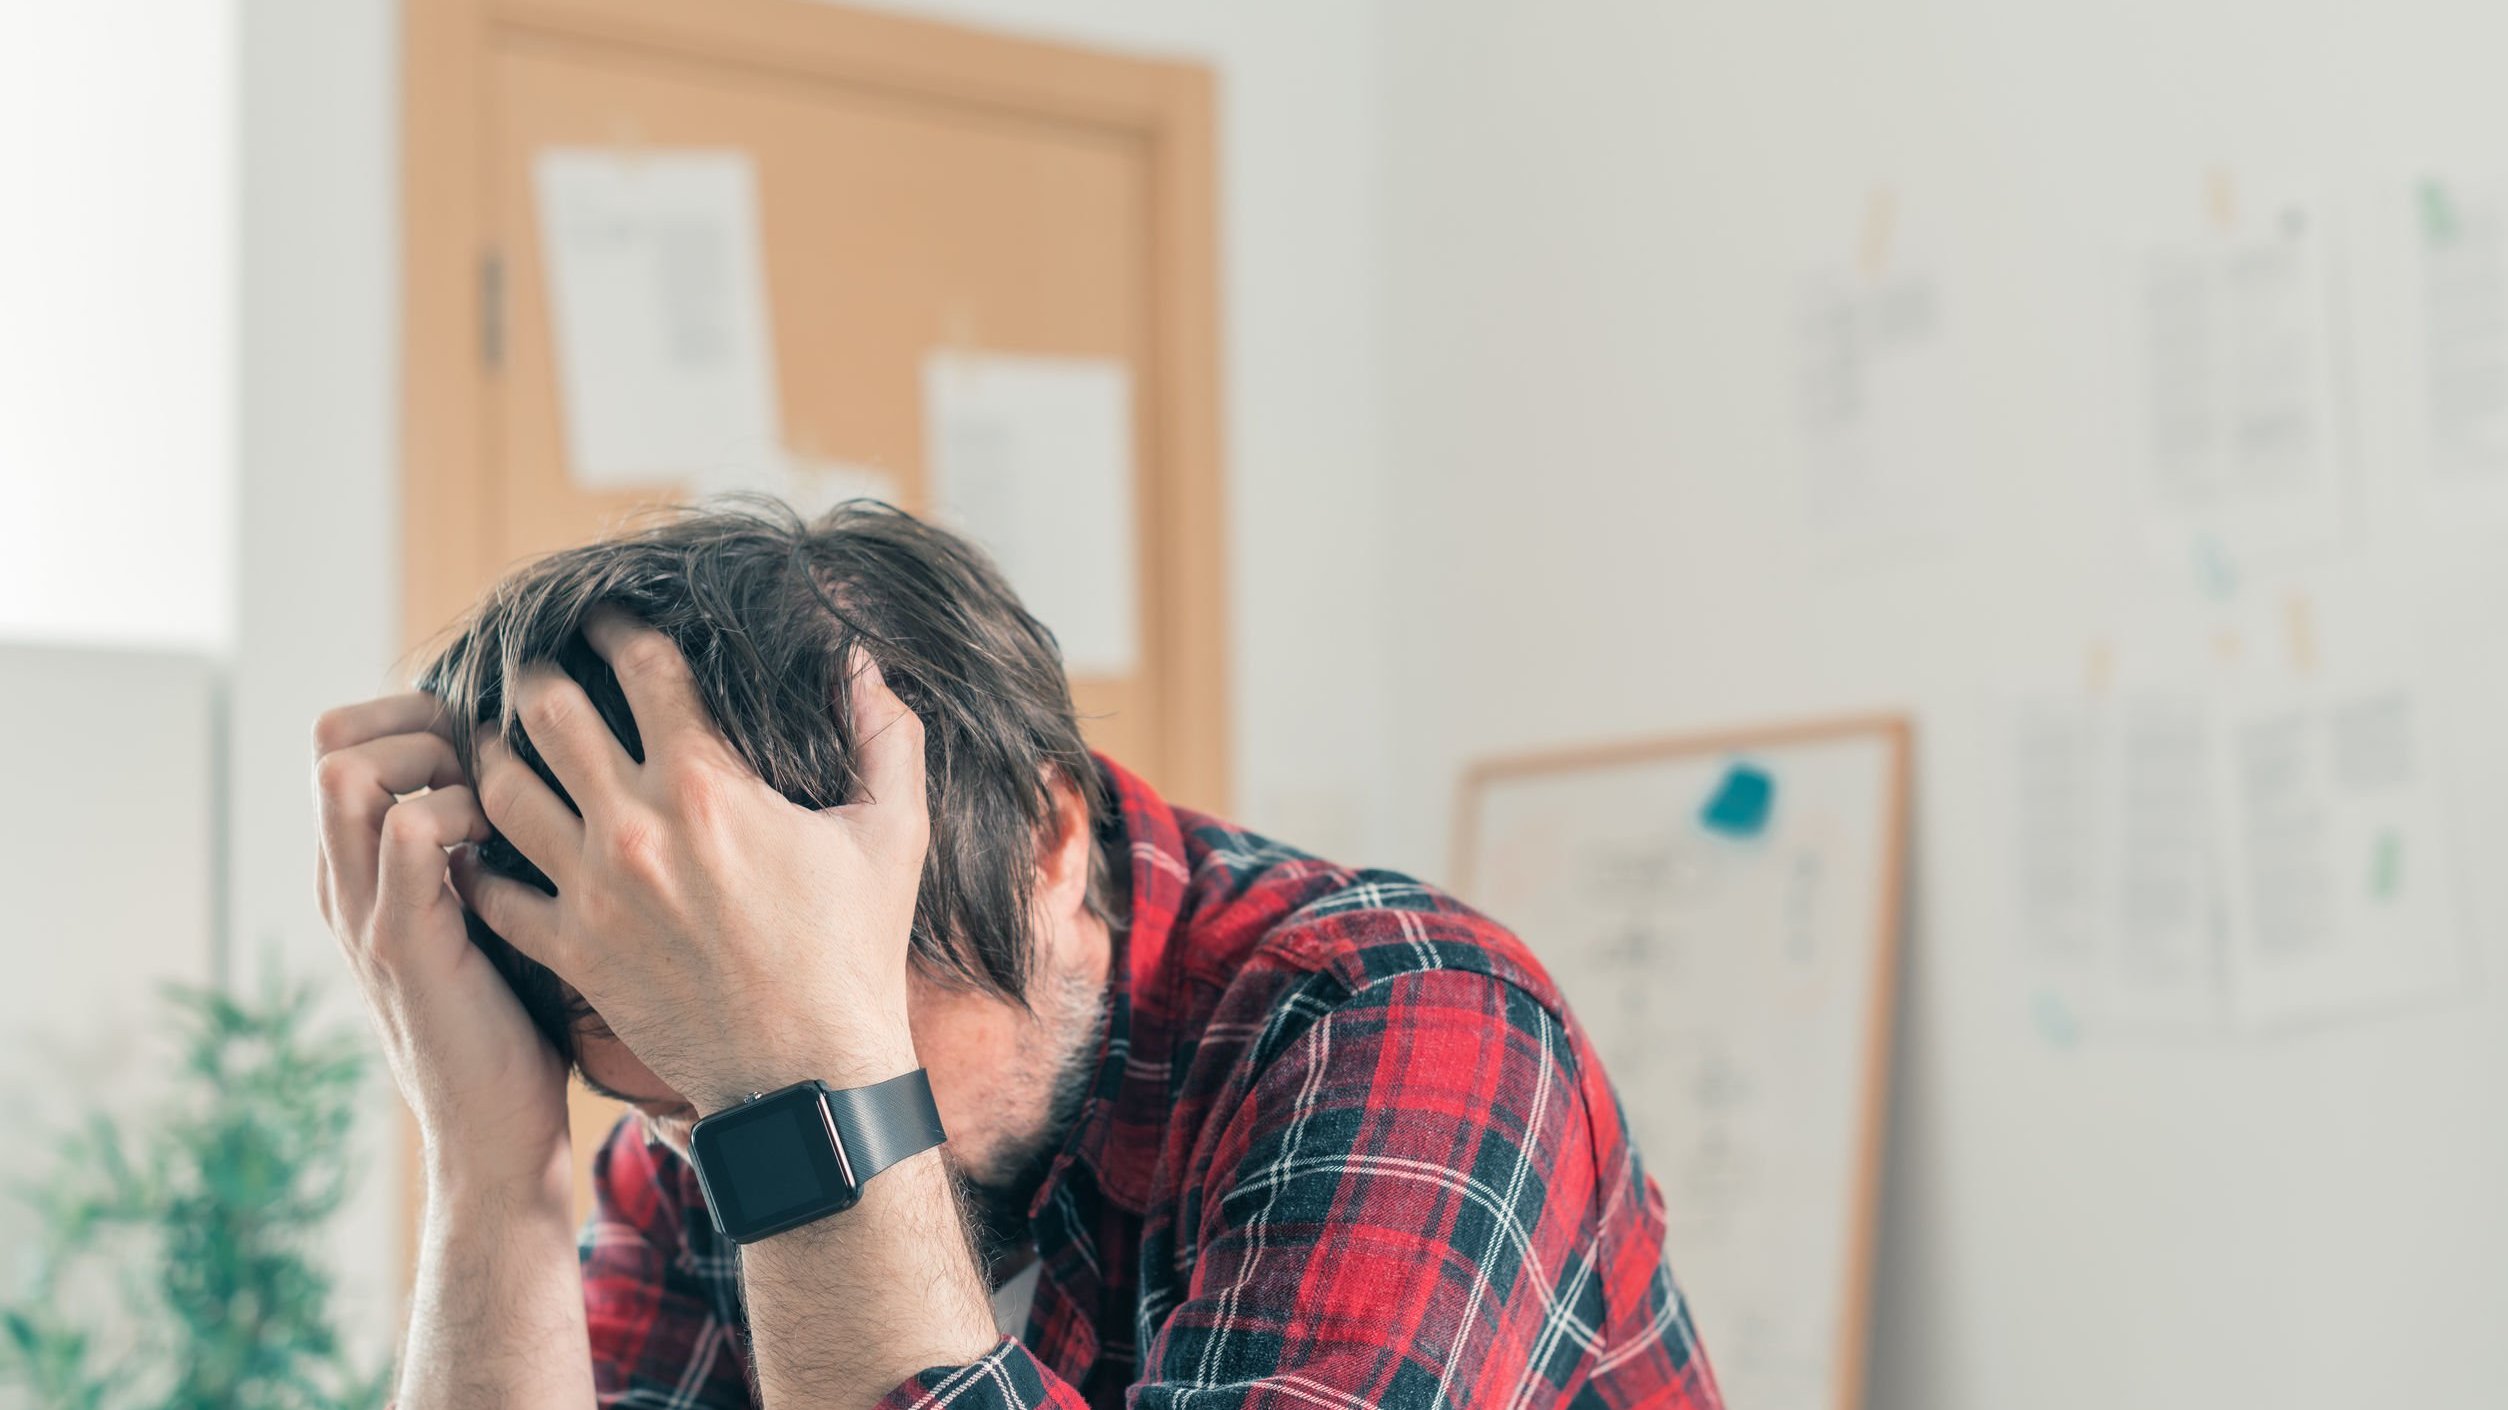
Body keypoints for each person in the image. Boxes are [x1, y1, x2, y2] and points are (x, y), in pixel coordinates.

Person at [312, 500, 1723, 1409]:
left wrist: (802, 1080)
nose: (701, 1149)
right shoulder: (701, 1126)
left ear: (1052, 844)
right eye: (670, 1098)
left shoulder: (1407, 1025)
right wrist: (492, 1168)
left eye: (812, 1004)